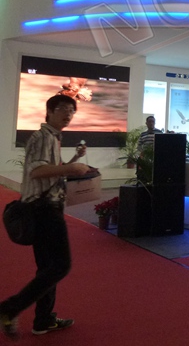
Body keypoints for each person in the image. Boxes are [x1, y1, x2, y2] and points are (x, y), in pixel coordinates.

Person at [0, 95, 91, 339]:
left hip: (41, 209)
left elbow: (52, 173)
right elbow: (37, 171)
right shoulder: (43, 137)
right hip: (45, 210)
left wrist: (74, 160)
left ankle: (43, 320)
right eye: (62, 108)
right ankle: (10, 308)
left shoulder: (52, 138)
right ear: (49, 111)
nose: (68, 114)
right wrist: (71, 168)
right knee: (61, 265)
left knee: (47, 267)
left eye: (71, 110)